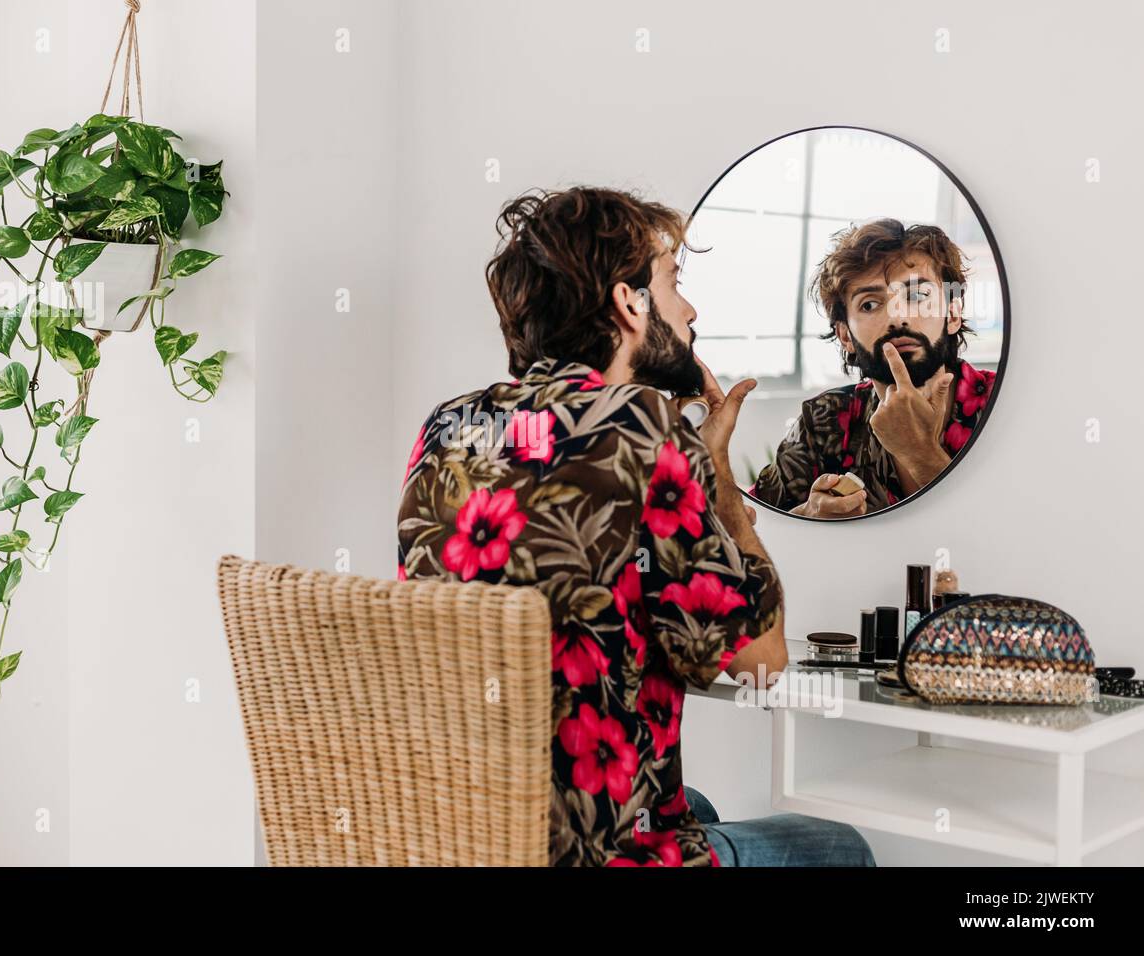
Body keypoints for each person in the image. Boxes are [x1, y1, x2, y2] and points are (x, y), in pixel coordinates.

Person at [396, 186, 874, 866]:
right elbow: (762, 663)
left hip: (482, 828)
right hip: (595, 852)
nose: (689, 309)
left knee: (697, 806)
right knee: (837, 846)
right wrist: (714, 469)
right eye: (674, 282)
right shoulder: (646, 431)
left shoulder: (448, 426)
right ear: (630, 303)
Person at [751, 218, 997, 517]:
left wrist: (919, 453)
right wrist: (807, 514)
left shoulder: (1005, 405)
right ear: (845, 336)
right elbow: (753, 528)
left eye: (918, 296)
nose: (898, 318)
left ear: (953, 314)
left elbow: (1022, 536)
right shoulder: (822, 420)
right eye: (869, 304)